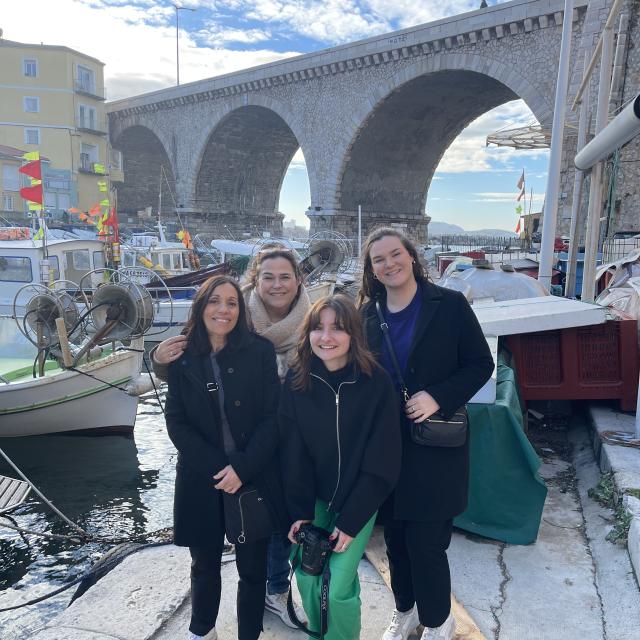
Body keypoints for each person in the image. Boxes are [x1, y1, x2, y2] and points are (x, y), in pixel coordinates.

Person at [153, 246, 310, 627]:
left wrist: (240, 467)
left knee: (253, 568)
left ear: (241, 310)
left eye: (231, 304)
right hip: (202, 475)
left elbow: (272, 416)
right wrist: (218, 467)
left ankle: (252, 627)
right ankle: (201, 630)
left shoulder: (261, 349)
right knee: (204, 565)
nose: (223, 310)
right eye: (215, 302)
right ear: (201, 306)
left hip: (254, 469)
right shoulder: (184, 354)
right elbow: (176, 421)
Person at [357, 228, 494, 640]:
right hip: (388, 446)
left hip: (435, 444)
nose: (389, 264)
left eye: (395, 254)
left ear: (412, 257)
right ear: (372, 270)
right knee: (395, 540)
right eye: (378, 259)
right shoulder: (367, 314)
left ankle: (438, 621)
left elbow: (479, 363)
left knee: (427, 544)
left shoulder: (448, 306)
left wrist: (438, 396)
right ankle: (407, 611)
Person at [280, 294, 402, 640]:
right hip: (314, 500)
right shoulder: (296, 381)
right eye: (318, 328)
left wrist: (351, 521)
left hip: (357, 503)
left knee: (337, 587)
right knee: (307, 577)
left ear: (353, 334)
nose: (326, 337)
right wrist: (300, 511)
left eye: (337, 328)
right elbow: (293, 453)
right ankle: (321, 634)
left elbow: (384, 459)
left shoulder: (375, 382)